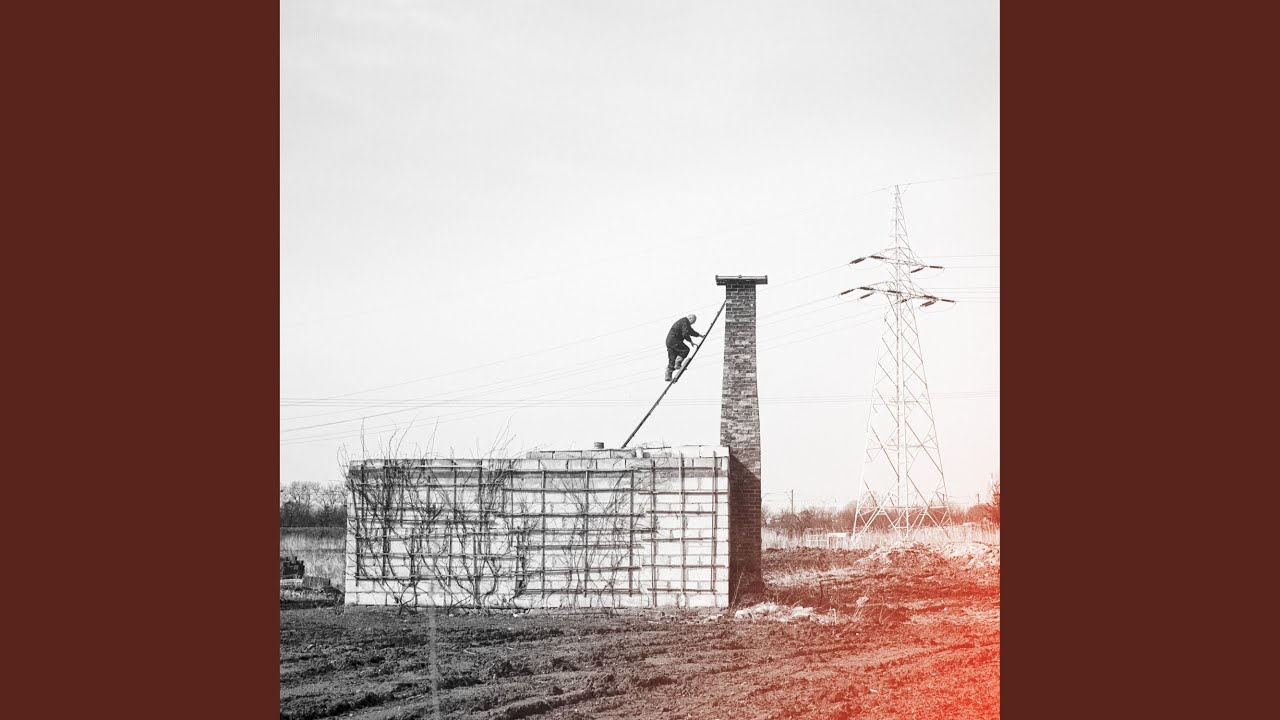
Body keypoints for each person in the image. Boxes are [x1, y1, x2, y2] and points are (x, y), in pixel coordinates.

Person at [665, 313, 701, 381]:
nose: (693, 323)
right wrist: (691, 341)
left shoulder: (683, 322)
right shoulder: (685, 321)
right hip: (674, 340)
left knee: (672, 359)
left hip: (669, 342)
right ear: (690, 318)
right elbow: (685, 334)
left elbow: (690, 331)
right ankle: (678, 364)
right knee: (685, 350)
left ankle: (668, 376)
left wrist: (699, 335)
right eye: (693, 321)